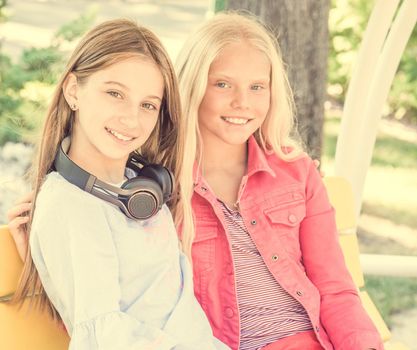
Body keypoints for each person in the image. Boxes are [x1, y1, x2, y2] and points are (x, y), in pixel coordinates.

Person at [8, 12, 383, 350]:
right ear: (195, 87)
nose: (242, 103)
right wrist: (49, 270)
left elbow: (336, 289)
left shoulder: (291, 173)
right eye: (223, 84)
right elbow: (107, 320)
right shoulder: (161, 188)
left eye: (257, 86)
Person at [8, 18, 228, 350]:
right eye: (115, 93)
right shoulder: (71, 206)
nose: (131, 119)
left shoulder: (137, 187)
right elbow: (104, 338)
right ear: (73, 91)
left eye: (148, 105)